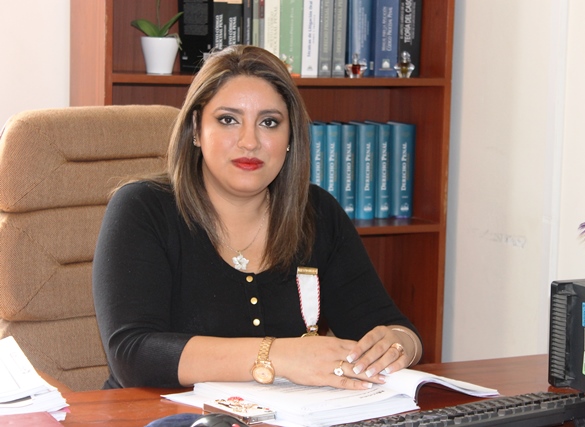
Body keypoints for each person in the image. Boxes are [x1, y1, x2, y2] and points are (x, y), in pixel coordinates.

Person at [92, 45, 423, 391]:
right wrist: (278, 356)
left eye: (269, 122)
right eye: (228, 120)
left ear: (290, 136)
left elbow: (391, 327)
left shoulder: (316, 213)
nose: (249, 142)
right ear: (196, 128)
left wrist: (398, 345)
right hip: (157, 414)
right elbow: (133, 354)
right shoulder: (144, 208)